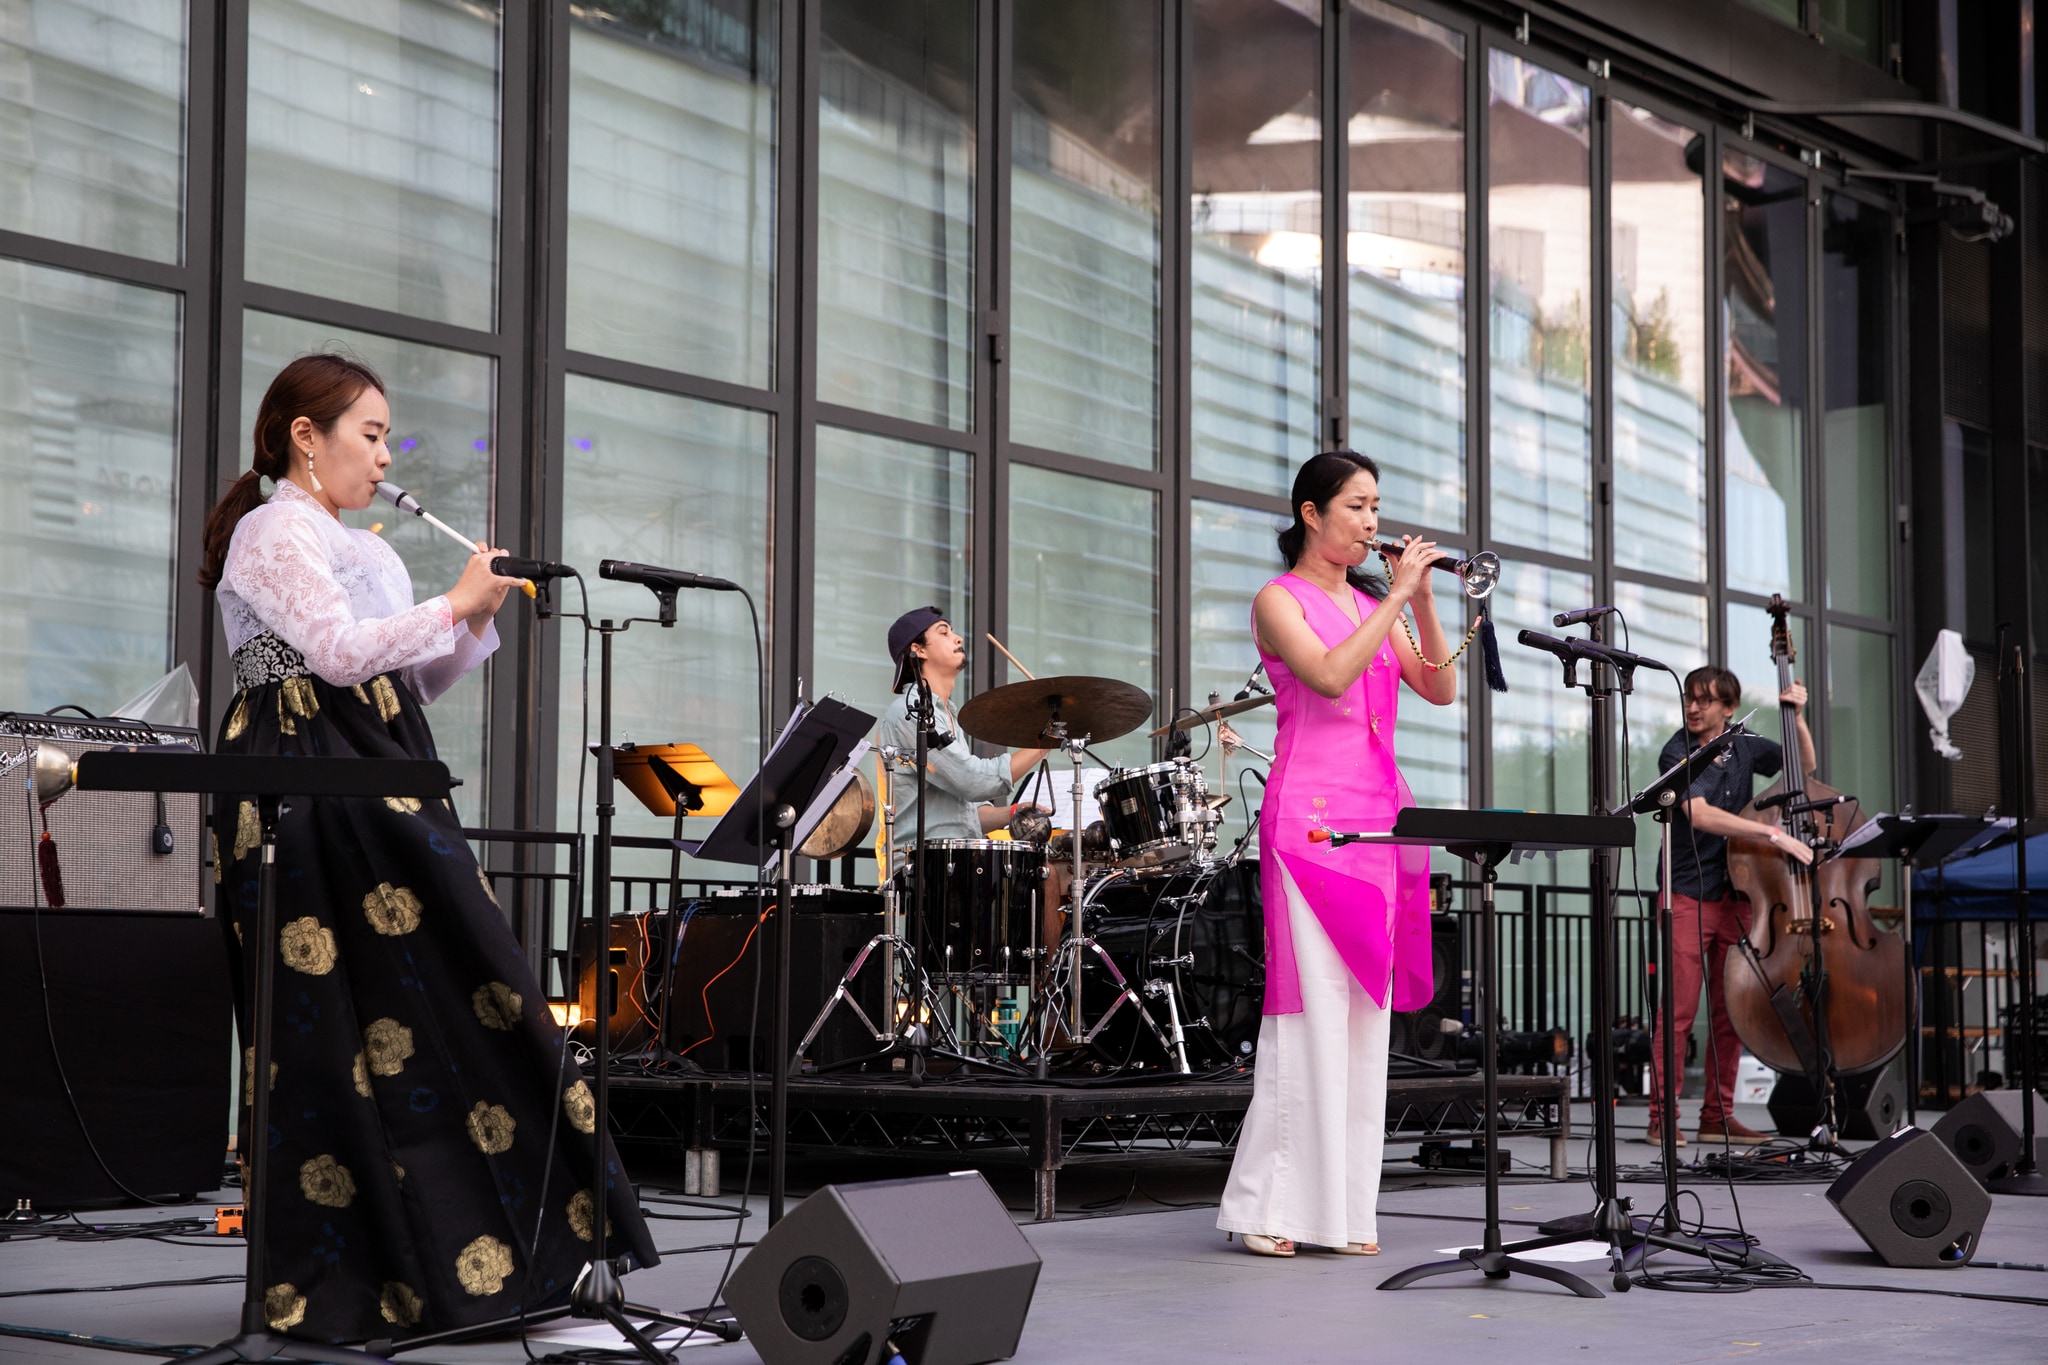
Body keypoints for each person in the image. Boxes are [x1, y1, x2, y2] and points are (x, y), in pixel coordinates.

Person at [200, 354, 657, 1341]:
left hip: (377, 763)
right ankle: (358, 1272)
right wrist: (453, 603)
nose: (382, 454)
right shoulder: (274, 528)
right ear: (304, 439)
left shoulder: (355, 543)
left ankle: (485, 1261)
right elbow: (330, 656)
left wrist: (472, 616)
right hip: (306, 781)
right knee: (336, 1024)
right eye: (368, 433)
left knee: (455, 991)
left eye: (386, 436)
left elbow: (401, 687)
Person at [1216, 450, 1455, 1258]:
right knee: (1307, 1013)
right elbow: (1326, 675)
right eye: (1356, 506)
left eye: (1377, 507)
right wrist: (1392, 597)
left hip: (1379, 823)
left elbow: (1440, 685)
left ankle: (1345, 1211)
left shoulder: (1371, 600)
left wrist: (1420, 602)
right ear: (1312, 513)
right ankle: (1268, 1205)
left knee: (1363, 1020)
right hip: (1311, 822)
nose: (1372, 522)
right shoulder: (1277, 599)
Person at [1647, 664, 1816, 1148]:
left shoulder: (1744, 745)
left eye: (1705, 700)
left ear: (1729, 708)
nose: (1694, 707)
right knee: (1677, 1014)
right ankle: (1662, 1118)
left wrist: (1797, 717)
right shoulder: (1677, 751)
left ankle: (1716, 1117)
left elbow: (1803, 768)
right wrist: (1769, 832)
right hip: (1685, 890)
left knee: (1732, 1012)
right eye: (1690, 698)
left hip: (1737, 894)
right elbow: (1697, 814)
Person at [873, 606, 1050, 866]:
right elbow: (971, 780)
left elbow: (963, 817)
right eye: (944, 633)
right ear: (918, 650)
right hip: (921, 869)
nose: (958, 638)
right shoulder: (910, 713)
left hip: (953, 864)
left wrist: (1012, 812)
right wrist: (1043, 742)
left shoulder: (945, 714)